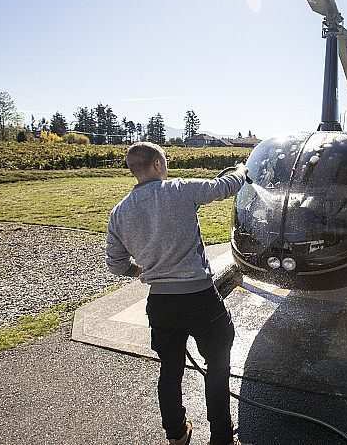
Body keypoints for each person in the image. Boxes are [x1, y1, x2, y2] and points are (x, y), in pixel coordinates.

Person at [106, 141, 249, 445]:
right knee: (218, 366)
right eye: (165, 161)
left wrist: (141, 271)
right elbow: (223, 187)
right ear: (157, 165)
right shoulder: (179, 190)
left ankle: (176, 435)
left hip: (159, 304)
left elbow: (116, 264)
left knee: (170, 371)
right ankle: (222, 438)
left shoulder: (119, 212)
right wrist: (241, 170)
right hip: (200, 300)